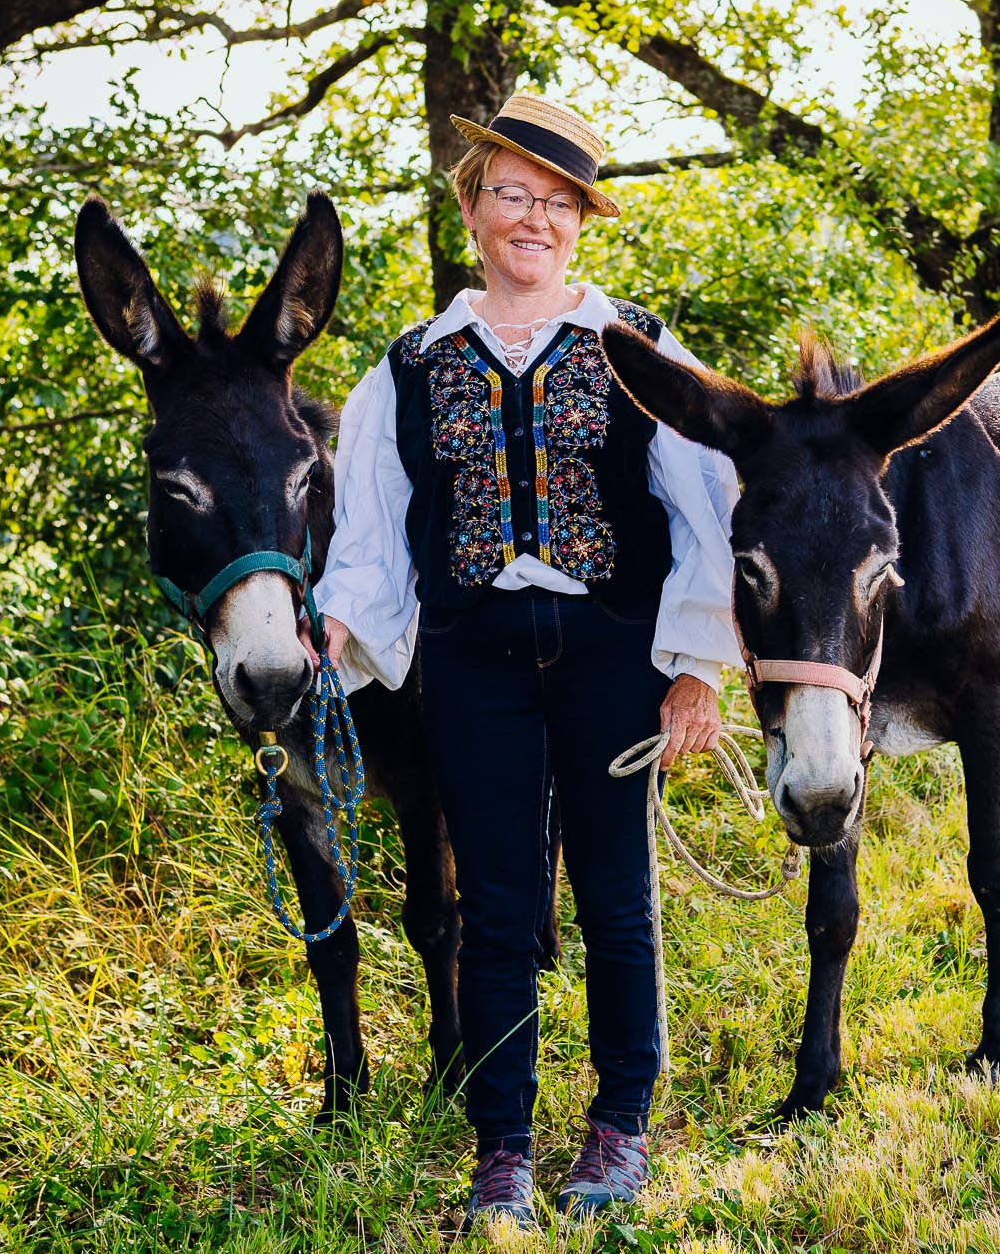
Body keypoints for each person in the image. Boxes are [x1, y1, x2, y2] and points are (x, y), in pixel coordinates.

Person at [309, 93, 741, 1231]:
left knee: (612, 895)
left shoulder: (639, 353)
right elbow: (368, 533)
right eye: (510, 194)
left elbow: (705, 513)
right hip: (473, 662)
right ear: (470, 207)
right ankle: (501, 1148)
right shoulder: (404, 369)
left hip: (609, 655)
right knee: (493, 903)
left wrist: (696, 664)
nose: (532, 220)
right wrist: (335, 632)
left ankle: (618, 1126)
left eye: (556, 202)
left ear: (582, 222)